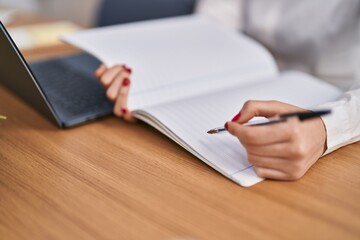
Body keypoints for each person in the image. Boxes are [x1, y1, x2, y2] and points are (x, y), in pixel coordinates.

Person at [94, 0, 360, 181]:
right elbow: (213, 24)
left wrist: (329, 127)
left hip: (339, 102)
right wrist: (153, 81)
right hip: (243, 71)